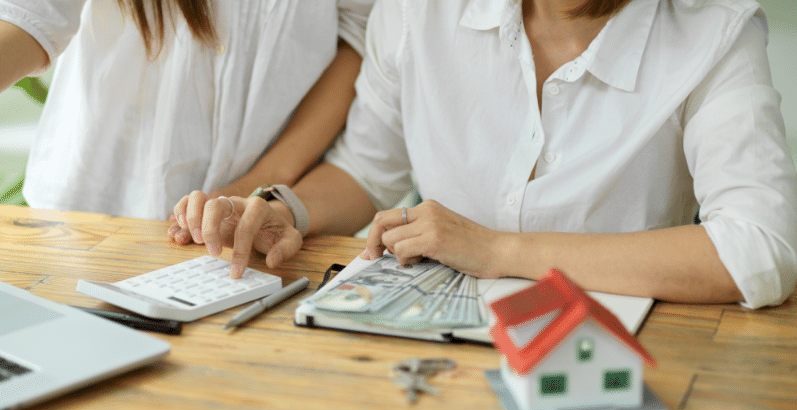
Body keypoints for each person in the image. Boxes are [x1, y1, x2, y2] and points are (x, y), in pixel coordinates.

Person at [171, 0, 797, 309]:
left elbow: (757, 250)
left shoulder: (716, 31)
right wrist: (290, 211)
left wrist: (498, 251)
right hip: (436, 347)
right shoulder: (418, 12)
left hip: (613, 356)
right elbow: (367, 167)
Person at [0, 0, 374, 220]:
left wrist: (259, 184)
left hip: (253, 226)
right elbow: (28, 18)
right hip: (89, 215)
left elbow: (356, 36)